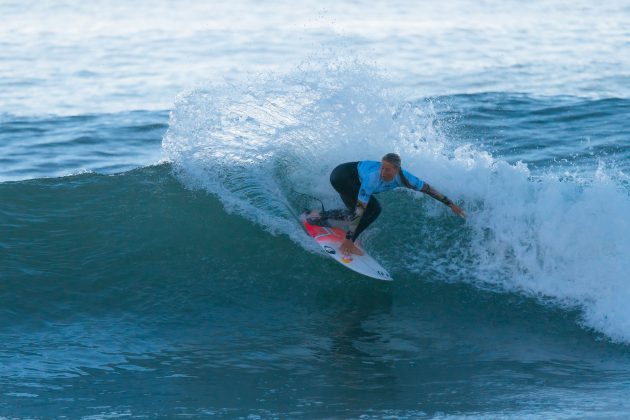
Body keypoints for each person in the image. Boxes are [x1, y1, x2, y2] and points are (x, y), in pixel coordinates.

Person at [325, 153, 465, 256]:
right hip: (342, 177)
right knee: (373, 209)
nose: (383, 172)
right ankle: (349, 241)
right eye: (382, 168)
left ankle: (318, 217)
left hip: (350, 179)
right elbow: (361, 209)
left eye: (387, 169)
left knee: (353, 213)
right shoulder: (373, 177)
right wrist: (349, 239)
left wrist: (450, 204)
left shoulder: (406, 179)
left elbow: (428, 189)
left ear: (396, 170)